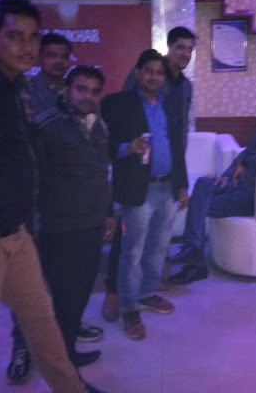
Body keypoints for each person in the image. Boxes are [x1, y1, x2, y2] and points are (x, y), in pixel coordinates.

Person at [0, 0, 98, 393]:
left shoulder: (16, 87)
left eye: (33, 37)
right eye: (15, 36)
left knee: (43, 322)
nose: (27, 46)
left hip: (17, 234)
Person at [8, 66, 114, 381]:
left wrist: (108, 212)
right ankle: (63, 371)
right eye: (81, 89)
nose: (88, 96)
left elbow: (102, 174)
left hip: (92, 225)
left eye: (94, 91)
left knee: (80, 294)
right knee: (62, 298)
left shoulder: (100, 126)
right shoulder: (47, 126)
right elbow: (32, 179)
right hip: (59, 229)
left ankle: (68, 352)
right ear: (67, 90)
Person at [101, 26, 195, 322]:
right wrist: (127, 147)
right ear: (138, 73)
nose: (154, 77)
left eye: (159, 73)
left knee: (156, 249)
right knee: (132, 251)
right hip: (138, 188)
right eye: (149, 72)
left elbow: (177, 143)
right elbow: (105, 143)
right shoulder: (120, 103)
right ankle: (126, 303)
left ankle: (145, 293)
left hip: (167, 188)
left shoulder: (173, 100)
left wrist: (182, 184)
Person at [169, 99, 256, 285]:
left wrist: (249, 161)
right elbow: (239, 160)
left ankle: (195, 258)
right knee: (203, 183)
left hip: (251, 197)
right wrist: (226, 177)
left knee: (198, 203)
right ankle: (194, 254)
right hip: (235, 188)